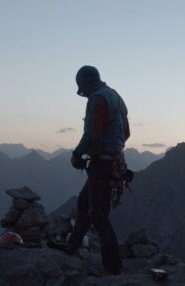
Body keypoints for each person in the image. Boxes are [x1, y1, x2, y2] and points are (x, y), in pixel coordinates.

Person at [57, 65, 130, 275]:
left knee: (98, 215)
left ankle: (113, 266)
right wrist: (113, 146)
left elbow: (92, 133)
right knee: (84, 203)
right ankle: (73, 245)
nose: (81, 92)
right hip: (112, 160)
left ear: (84, 83)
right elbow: (126, 132)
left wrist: (78, 154)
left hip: (102, 164)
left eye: (80, 87)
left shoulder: (98, 99)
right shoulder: (116, 97)